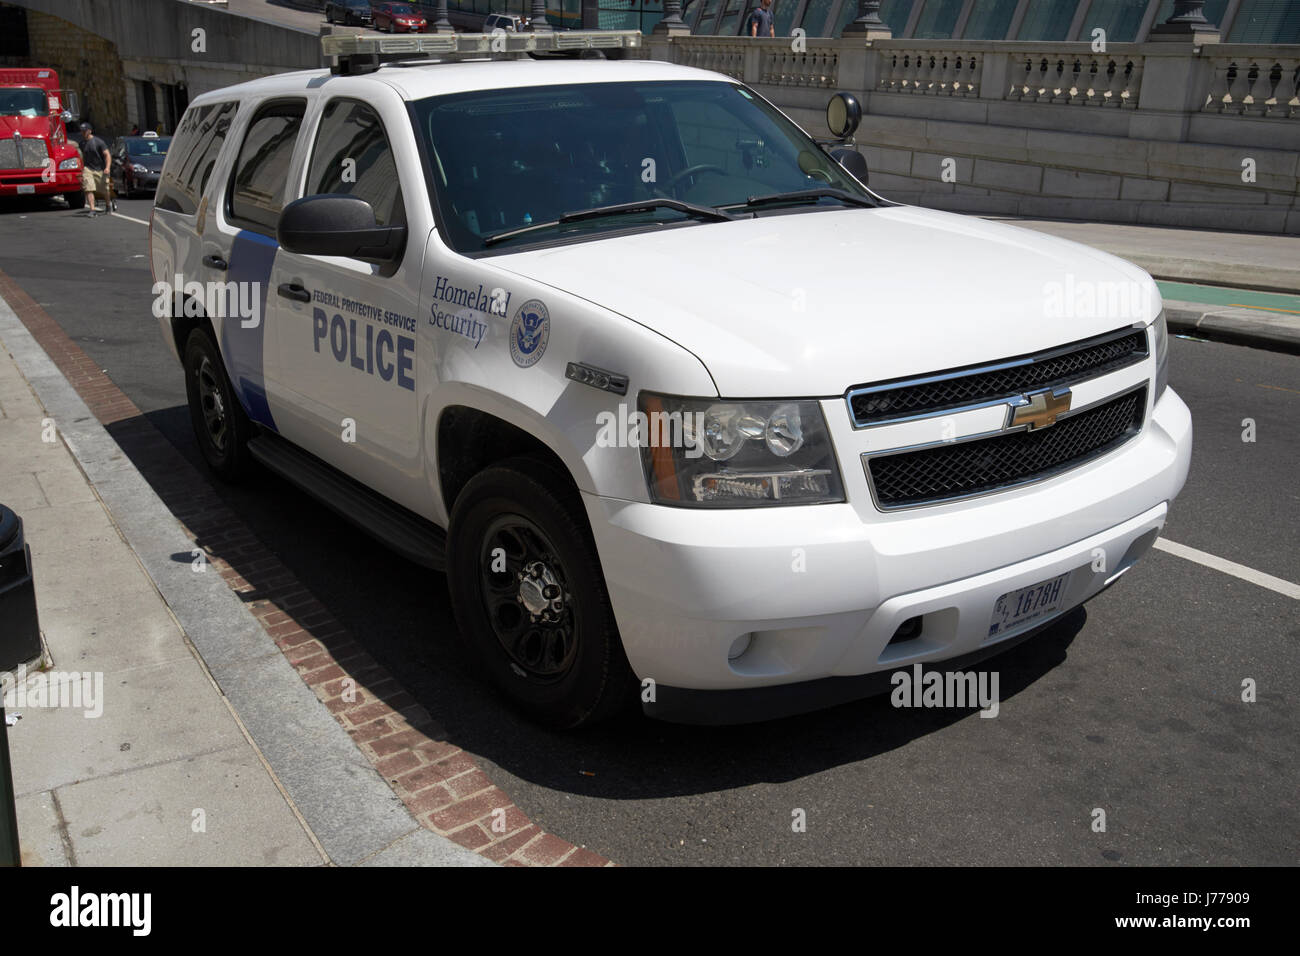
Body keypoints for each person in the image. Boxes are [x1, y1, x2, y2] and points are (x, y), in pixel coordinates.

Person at [76, 122, 114, 216]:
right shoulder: (82, 143)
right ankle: (92, 210)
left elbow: (107, 155)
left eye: (85, 131)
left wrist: (107, 167)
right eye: (82, 131)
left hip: (100, 169)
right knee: (88, 188)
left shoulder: (98, 142)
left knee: (105, 190)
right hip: (88, 169)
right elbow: (81, 156)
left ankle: (108, 205)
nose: (83, 132)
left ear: (90, 131)